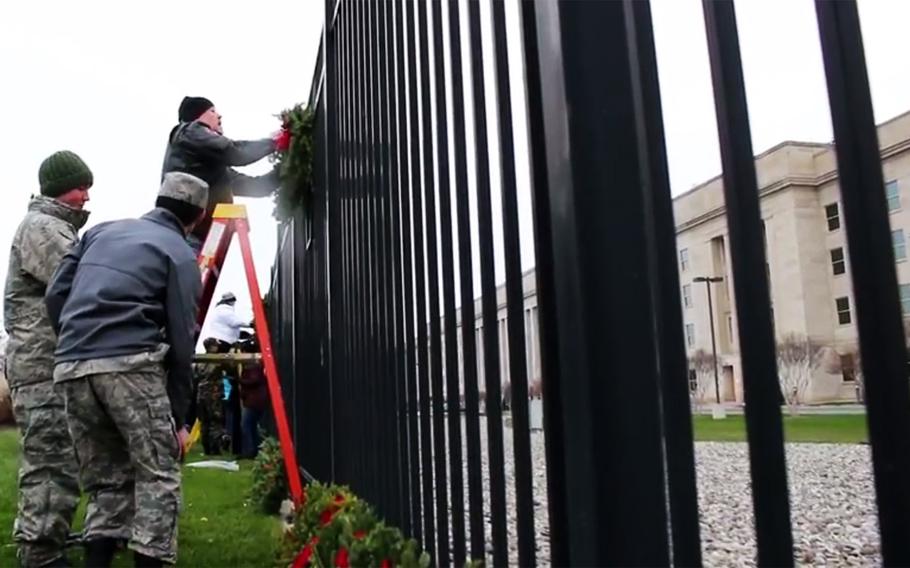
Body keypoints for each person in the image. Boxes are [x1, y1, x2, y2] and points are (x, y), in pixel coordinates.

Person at [45, 172, 207, 568]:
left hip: (71, 365)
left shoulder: (100, 232)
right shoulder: (180, 253)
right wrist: (179, 416)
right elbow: (183, 342)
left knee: (105, 481)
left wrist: (76, 338)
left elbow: (55, 294)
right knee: (158, 475)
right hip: (130, 364)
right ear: (198, 216)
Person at [3, 150, 92, 567]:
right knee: (51, 460)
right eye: (80, 187)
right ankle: (40, 553)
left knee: (59, 457)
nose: (87, 195)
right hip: (41, 369)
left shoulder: (54, 227)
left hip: (48, 364)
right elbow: (80, 285)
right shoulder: (43, 228)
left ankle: (47, 537)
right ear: (60, 189)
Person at [160, 96, 290, 251]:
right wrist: (274, 142)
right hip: (184, 238)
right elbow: (233, 151)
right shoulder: (188, 132)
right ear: (197, 117)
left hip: (197, 239)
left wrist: (288, 166)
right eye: (212, 111)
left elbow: (256, 186)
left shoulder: (211, 169)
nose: (219, 115)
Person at [195, 338, 228, 455]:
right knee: (215, 421)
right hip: (214, 394)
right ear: (211, 347)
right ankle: (215, 449)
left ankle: (206, 448)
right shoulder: (217, 360)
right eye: (215, 345)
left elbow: (195, 375)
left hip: (201, 394)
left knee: (205, 423)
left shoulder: (200, 360)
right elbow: (228, 367)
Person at [237, 334, 268, 459]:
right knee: (252, 426)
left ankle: (250, 451)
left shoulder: (253, 366)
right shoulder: (254, 365)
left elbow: (254, 380)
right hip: (254, 400)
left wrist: (240, 380)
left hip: (253, 401)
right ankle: (254, 449)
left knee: (246, 425)